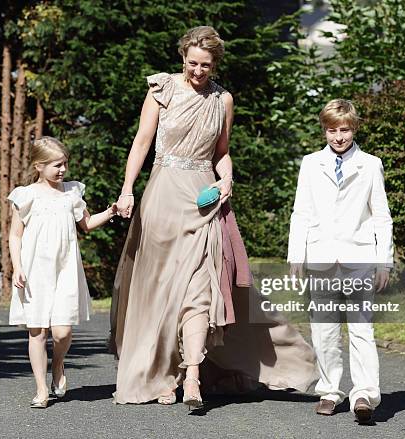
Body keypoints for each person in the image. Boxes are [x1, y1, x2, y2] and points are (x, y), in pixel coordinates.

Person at [110, 26, 317, 407]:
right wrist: (127, 191)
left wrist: (228, 177)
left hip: (205, 201)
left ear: (215, 63)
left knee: (200, 291)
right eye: (192, 63)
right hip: (162, 198)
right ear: (182, 58)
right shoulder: (161, 90)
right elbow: (141, 142)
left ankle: (191, 377)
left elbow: (221, 151)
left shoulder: (223, 100)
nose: (198, 71)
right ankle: (160, 374)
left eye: (205, 65)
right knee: (160, 292)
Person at [288, 99, 394, 424]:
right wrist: (296, 256)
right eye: (332, 130)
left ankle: (364, 394)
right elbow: (301, 212)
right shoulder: (310, 163)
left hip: (359, 258)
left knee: (362, 329)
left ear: (354, 128)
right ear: (324, 129)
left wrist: (384, 261)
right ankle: (330, 391)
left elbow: (381, 217)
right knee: (324, 330)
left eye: (344, 130)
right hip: (320, 257)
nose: (338, 137)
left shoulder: (371, 164)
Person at [8, 136, 117, 409]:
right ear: (38, 166)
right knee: (37, 331)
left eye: (65, 164)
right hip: (34, 271)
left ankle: (57, 362)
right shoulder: (25, 195)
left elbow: (87, 224)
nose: (63, 170)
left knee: (61, 332)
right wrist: (17, 266)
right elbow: (15, 235)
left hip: (65, 269)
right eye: (57, 165)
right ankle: (41, 388)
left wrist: (112, 211)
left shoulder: (71, 193)